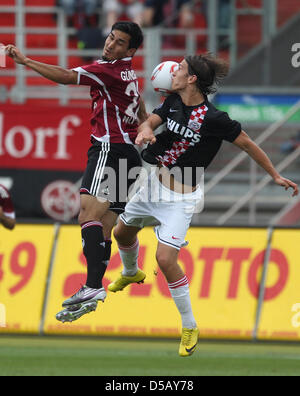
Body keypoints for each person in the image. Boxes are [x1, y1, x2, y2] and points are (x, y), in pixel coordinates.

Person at [107, 54, 299, 357]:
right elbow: (152, 121)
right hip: (152, 185)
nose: (175, 71)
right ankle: (131, 272)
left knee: (166, 260)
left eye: (181, 69)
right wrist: (145, 130)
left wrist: (274, 175)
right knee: (121, 233)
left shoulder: (215, 119)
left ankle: (189, 325)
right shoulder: (173, 102)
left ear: (193, 78)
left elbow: (248, 143)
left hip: (181, 200)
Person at [5, 21, 147, 323]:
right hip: (130, 155)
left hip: (110, 149)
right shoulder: (128, 72)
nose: (111, 44)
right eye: (111, 38)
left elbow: (68, 77)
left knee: (86, 213)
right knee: (105, 225)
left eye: (120, 43)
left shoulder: (108, 70)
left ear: (131, 50)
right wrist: (146, 126)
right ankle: (92, 288)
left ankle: (93, 287)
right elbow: (140, 105)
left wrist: (26, 61)